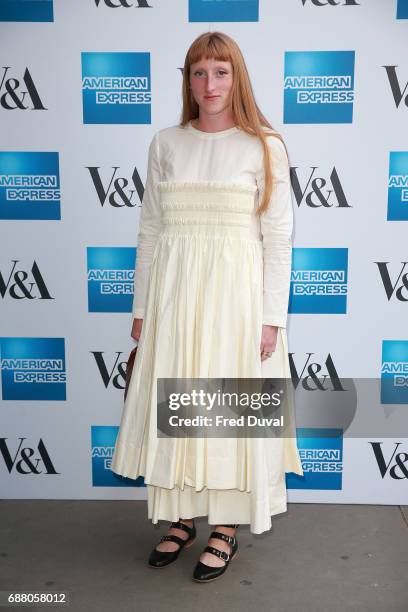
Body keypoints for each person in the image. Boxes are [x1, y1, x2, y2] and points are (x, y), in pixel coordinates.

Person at [110, 30, 303, 583]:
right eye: (198, 72)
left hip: (237, 299)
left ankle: (226, 527)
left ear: (236, 78)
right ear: (187, 81)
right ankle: (181, 516)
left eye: (220, 72)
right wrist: (141, 306)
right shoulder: (165, 143)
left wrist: (272, 318)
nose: (209, 83)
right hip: (174, 297)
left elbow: (278, 237)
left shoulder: (264, 144)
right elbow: (149, 230)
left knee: (228, 410)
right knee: (178, 403)